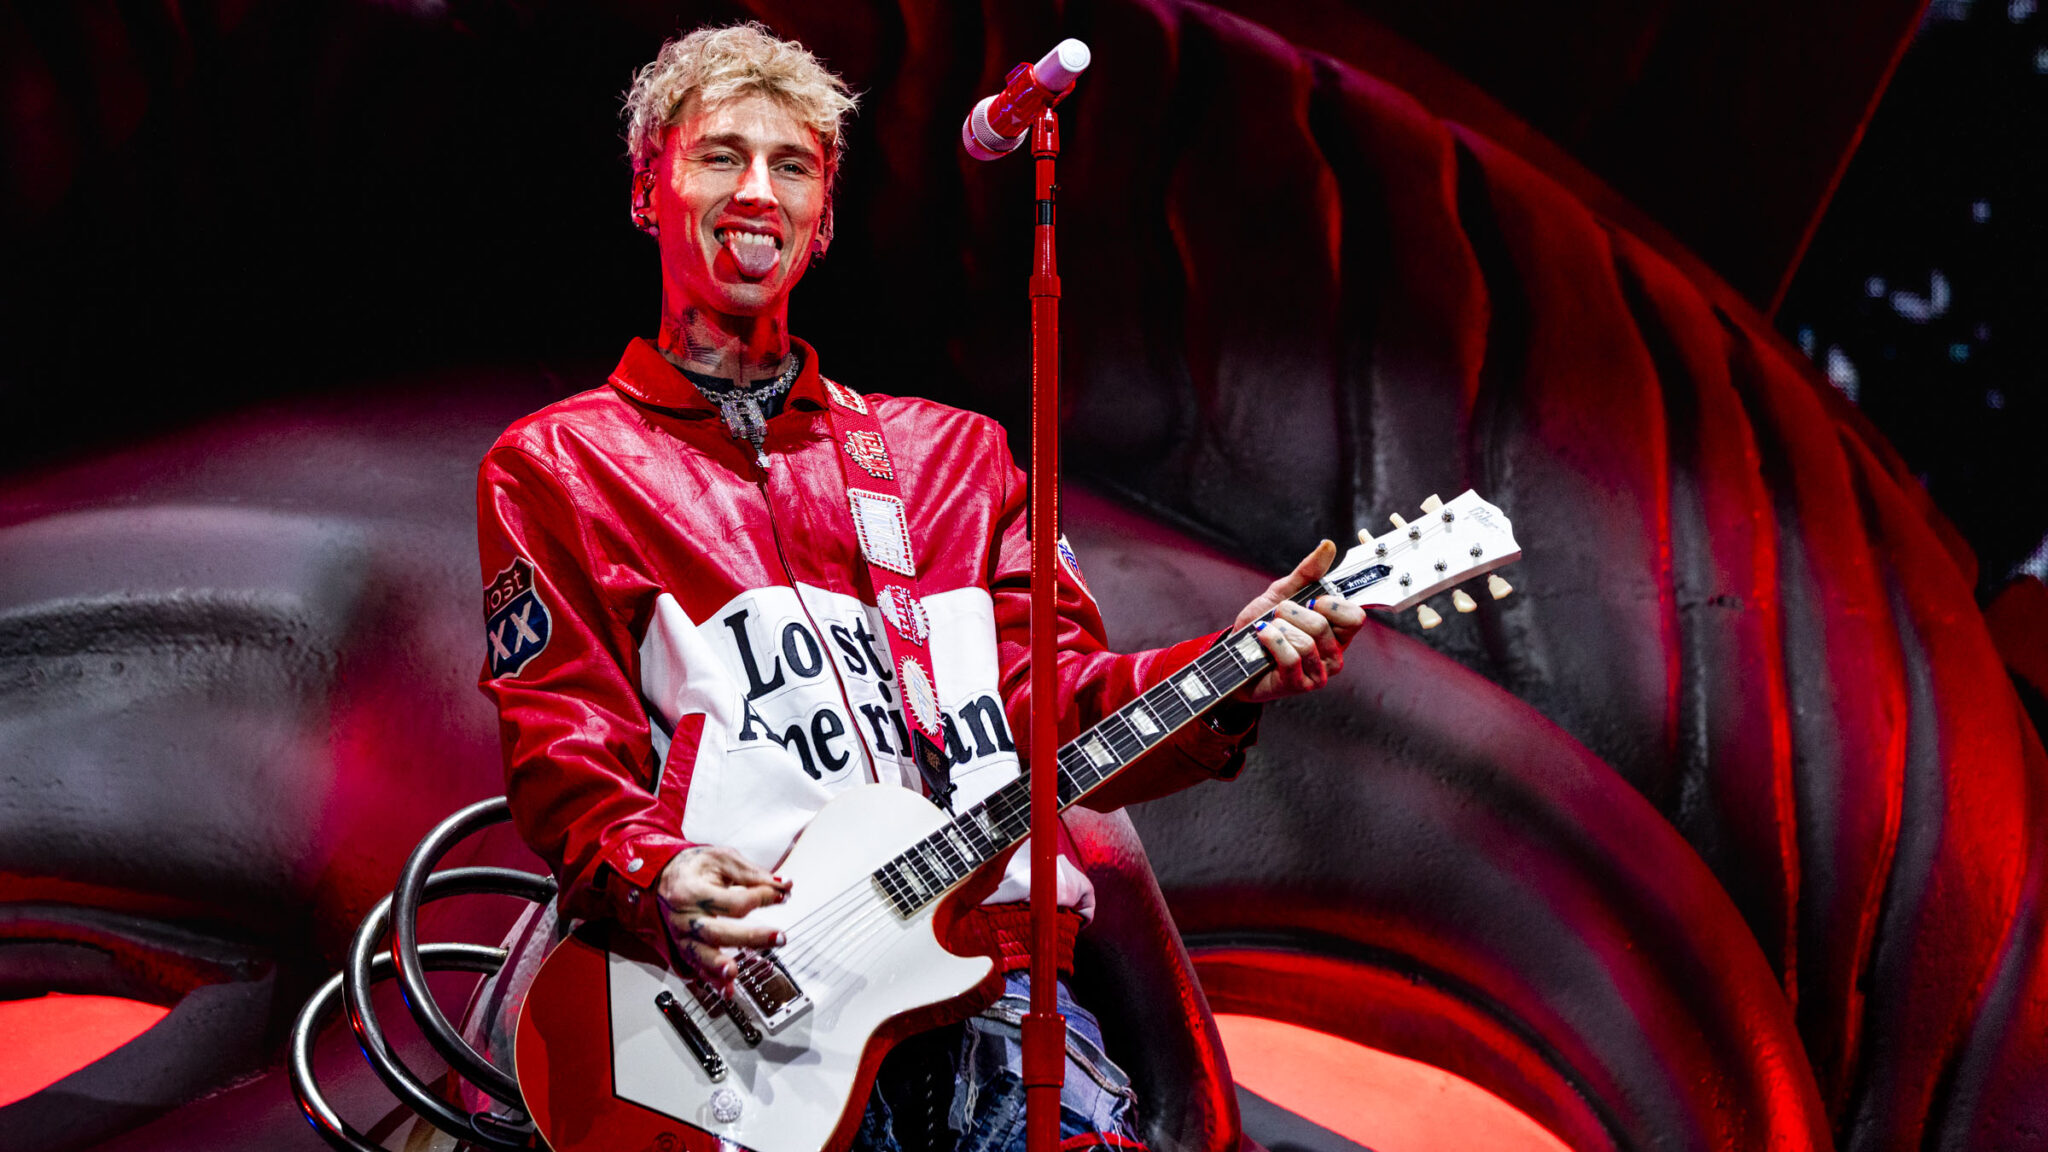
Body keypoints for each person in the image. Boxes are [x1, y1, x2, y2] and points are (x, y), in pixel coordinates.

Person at [475, 22, 1363, 1152]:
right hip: (743, 1010)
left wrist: (1225, 672)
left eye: (792, 166)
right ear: (649, 190)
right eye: (720, 157)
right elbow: (563, 747)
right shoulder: (560, 465)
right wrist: (657, 872)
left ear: (823, 220)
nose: (757, 192)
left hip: (1004, 996)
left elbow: (1061, 706)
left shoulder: (956, 458)